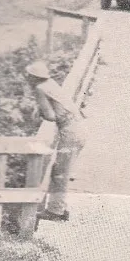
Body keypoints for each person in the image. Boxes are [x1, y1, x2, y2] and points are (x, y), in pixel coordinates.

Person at [25, 61, 87, 222]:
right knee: (61, 170)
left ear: (33, 77)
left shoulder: (39, 88)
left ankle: (56, 211)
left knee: (59, 173)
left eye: (29, 76)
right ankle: (60, 208)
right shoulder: (50, 83)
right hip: (79, 128)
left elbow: (50, 116)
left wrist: (38, 112)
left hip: (70, 132)